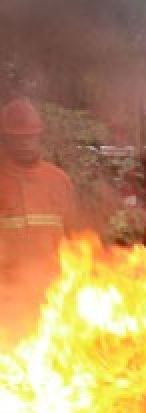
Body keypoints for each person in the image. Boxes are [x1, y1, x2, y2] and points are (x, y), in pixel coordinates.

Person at [0, 97, 78, 335]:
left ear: (39, 136)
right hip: (7, 292)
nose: (25, 144)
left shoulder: (58, 180)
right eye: (17, 138)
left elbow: (75, 238)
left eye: (30, 136)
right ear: (5, 139)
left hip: (51, 289)